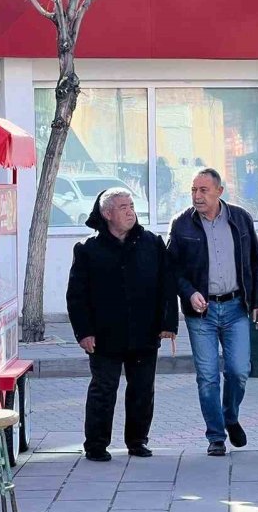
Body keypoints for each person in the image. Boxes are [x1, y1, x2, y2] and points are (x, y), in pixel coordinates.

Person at [67, 189, 178, 462]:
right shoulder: (87, 249)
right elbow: (76, 295)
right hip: (105, 335)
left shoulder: (152, 243)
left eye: (131, 206)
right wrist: (84, 332)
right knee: (103, 390)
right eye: (123, 207)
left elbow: (167, 285)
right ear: (107, 214)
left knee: (142, 389)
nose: (130, 211)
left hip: (144, 331)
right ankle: (96, 444)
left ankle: (137, 441)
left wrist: (168, 323)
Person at [167, 168, 258, 457]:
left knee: (239, 371)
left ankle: (230, 416)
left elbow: (256, 263)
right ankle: (216, 436)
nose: (197, 196)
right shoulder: (182, 224)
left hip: (236, 307)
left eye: (203, 190)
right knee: (208, 376)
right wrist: (189, 292)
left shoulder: (240, 218)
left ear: (219, 192)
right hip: (202, 312)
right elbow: (172, 268)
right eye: (193, 190)